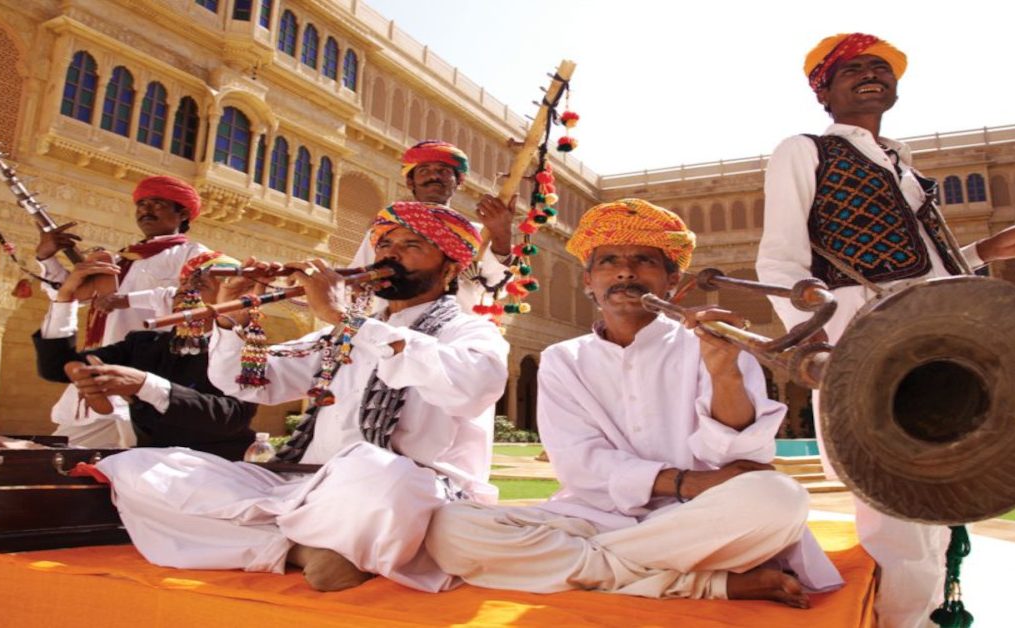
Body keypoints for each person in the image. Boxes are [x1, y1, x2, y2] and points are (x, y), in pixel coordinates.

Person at [426, 199, 842, 607]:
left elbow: (745, 460)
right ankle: (701, 583)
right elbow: (579, 464)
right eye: (608, 261)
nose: (625, 271)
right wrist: (686, 481)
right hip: (594, 515)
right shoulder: (563, 360)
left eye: (644, 260)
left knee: (778, 499)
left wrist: (723, 372)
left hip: (698, 517)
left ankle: (596, 567)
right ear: (588, 281)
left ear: (672, 282)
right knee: (449, 528)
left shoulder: (718, 344)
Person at [756, 33, 1015, 627]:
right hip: (864, 343)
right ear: (824, 92)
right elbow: (779, 261)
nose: (870, 75)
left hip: (931, 336)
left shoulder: (906, 168)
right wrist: (825, 347)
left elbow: (924, 271)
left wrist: (988, 249)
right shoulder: (803, 150)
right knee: (898, 517)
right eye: (852, 69)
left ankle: (925, 615)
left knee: (932, 513)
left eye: (880, 68)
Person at [92, 202, 509, 593]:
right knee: (141, 468)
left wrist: (347, 320)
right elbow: (252, 381)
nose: (390, 254)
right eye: (384, 243)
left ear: (451, 266)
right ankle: (301, 550)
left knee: (381, 471)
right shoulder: (340, 333)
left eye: (411, 245)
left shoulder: (470, 332)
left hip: (396, 493)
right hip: (306, 487)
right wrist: (234, 318)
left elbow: (471, 389)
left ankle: (281, 539)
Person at [35, 175, 210, 447]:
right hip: (100, 371)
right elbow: (70, 295)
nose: (145, 210)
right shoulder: (121, 258)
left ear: (183, 213)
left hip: (149, 375)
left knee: (140, 461)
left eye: (157, 203)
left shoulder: (195, 255)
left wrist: (127, 300)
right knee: (62, 455)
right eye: (141, 204)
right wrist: (47, 257)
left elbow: (197, 299)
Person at [32, 251, 257, 460]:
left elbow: (232, 416)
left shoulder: (242, 351)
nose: (185, 290)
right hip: (147, 468)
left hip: (214, 471)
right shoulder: (144, 344)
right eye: (184, 282)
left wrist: (144, 386)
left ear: (229, 299)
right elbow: (57, 367)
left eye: (199, 284)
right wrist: (65, 297)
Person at [352, 140, 516, 313]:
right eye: (424, 171)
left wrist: (501, 235)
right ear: (410, 182)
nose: (434, 176)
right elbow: (357, 285)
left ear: (458, 182)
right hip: (393, 331)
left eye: (443, 171)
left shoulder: (477, 233)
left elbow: (495, 289)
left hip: (456, 331)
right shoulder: (386, 230)